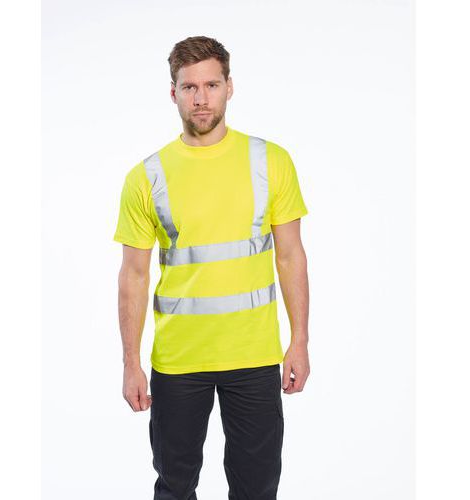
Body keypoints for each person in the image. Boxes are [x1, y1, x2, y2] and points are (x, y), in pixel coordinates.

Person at [113, 35, 310, 500]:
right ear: (173, 92)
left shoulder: (271, 162)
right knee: (175, 486)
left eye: (211, 85)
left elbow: (291, 256)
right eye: (189, 87)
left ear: (229, 87)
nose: (201, 98)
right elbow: (133, 275)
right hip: (179, 362)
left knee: (257, 488)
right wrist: (130, 363)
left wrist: (299, 341)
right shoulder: (147, 176)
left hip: (254, 357)